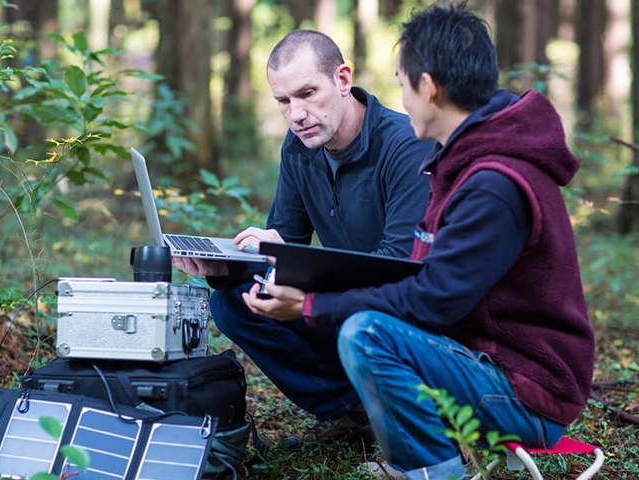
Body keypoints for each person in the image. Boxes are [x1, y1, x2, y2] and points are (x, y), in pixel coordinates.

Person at [244, 3, 595, 479]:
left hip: (526, 390)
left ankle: (433, 470)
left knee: (368, 333)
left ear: (427, 87)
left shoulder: (494, 182)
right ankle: (390, 429)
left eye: (403, 83)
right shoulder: (466, 161)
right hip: (481, 363)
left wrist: (310, 307)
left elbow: (432, 299)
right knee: (365, 327)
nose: (400, 99)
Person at [172, 29, 433, 443]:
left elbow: (399, 270)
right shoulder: (298, 150)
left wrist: (300, 283)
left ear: (343, 80)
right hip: (345, 307)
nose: (296, 114)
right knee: (234, 301)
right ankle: (356, 413)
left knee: (359, 317)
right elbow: (285, 248)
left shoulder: (405, 146)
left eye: (307, 93)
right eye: (284, 101)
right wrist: (227, 267)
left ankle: (406, 413)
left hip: (406, 317)